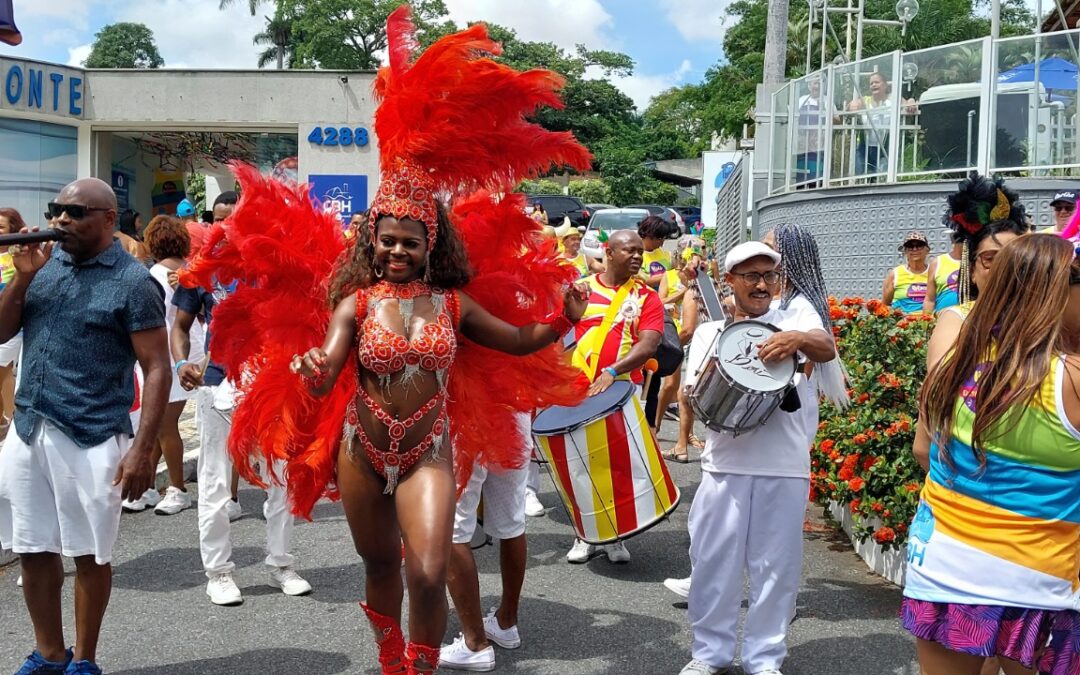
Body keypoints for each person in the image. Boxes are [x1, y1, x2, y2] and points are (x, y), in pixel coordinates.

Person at [185, 11, 594, 673]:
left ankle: (422, 665)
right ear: (371, 243)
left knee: (428, 569)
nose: (398, 249)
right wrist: (315, 369)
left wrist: (564, 320)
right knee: (380, 569)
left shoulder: (453, 304)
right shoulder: (356, 301)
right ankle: (391, 660)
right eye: (388, 239)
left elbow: (518, 340)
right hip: (363, 446)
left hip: (428, 445)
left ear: (430, 245)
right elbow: (328, 371)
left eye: (411, 240)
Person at [0, 178, 170, 675]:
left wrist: (143, 449)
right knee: (33, 547)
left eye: (75, 212)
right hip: (30, 428)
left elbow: (157, 367)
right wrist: (22, 277)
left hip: (93, 434)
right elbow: (2, 332)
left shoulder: (134, 282)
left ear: (109, 220)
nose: (61, 221)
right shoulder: (44, 266)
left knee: (89, 554)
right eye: (57, 211)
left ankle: (84, 659)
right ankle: (49, 652)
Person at [904, 233, 1080, 675]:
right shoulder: (1071, 378)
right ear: (1056, 293)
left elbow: (924, 448)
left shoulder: (954, 362)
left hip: (943, 567)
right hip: (1038, 579)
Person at [677, 241, 837, 675]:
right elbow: (694, 395)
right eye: (751, 276)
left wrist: (798, 339)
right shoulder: (713, 332)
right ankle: (710, 653)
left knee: (776, 569)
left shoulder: (795, 317)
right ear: (730, 282)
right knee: (713, 564)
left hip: (785, 465)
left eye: (769, 276)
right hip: (725, 465)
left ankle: (764, 659)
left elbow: (825, 346)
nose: (762, 284)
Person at [171, 212, 310, 605]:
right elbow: (180, 327)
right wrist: (183, 364)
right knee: (215, 485)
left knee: (281, 481)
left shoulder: (278, 269)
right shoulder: (204, 271)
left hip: (272, 387)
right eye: (224, 222)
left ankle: (281, 563)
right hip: (218, 386)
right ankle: (218, 573)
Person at [566, 229, 664, 565]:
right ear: (609, 252)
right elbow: (557, 331)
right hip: (579, 391)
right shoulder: (580, 289)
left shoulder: (647, 297)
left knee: (618, 464)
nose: (637, 257)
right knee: (580, 464)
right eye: (629, 251)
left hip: (622, 391)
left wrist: (612, 372)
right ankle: (585, 533)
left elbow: (648, 345)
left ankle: (615, 535)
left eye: (640, 252)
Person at [124, 215, 202, 515]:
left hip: (163, 354)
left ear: (152, 242)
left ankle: (178, 489)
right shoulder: (192, 270)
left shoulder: (154, 273)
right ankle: (144, 488)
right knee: (159, 424)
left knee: (164, 425)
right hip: (189, 349)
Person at [441, 416, 531, 671]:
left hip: (465, 415)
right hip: (514, 413)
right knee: (512, 522)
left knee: (452, 528)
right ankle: (506, 622)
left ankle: (474, 644)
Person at [658, 241, 706, 462]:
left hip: (692, 343)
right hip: (681, 339)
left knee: (685, 393)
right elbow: (661, 302)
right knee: (674, 388)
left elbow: (689, 328)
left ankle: (682, 443)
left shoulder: (700, 286)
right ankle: (659, 430)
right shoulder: (674, 278)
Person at [0, 207, 25, 436]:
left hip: (12, 329)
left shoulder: (17, 257)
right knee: (6, 377)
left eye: (1, 227)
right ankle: (5, 424)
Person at [848, 71, 892, 176]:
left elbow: (907, 103)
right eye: (871, 83)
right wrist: (852, 105)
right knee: (860, 177)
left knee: (882, 178)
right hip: (864, 147)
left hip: (885, 148)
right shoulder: (866, 100)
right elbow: (852, 105)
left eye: (877, 82)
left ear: (885, 85)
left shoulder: (892, 99)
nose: (873, 85)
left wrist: (910, 102)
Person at [883, 231, 930, 314]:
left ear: (927, 250)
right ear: (905, 251)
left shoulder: (934, 272)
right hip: (902, 323)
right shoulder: (895, 274)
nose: (914, 249)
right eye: (910, 246)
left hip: (929, 322)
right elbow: (885, 305)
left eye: (919, 246)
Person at [923, 232, 963, 315]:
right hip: (942, 318)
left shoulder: (976, 262)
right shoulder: (938, 262)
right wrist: (926, 322)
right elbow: (929, 299)